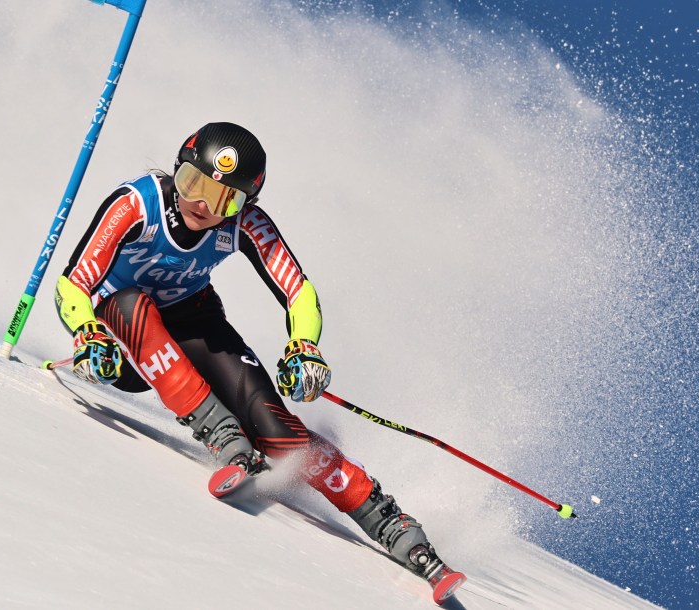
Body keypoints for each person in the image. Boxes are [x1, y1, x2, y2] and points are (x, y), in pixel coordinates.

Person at [54, 122, 447, 579]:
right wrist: (86, 331)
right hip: (122, 342)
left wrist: (304, 345)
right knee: (130, 304)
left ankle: (387, 520)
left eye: (223, 199)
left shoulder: (246, 223)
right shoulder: (136, 204)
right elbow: (73, 283)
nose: (201, 204)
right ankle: (224, 437)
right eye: (192, 183)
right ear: (177, 171)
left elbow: (298, 290)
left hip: (193, 321)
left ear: (244, 204)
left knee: (274, 429)